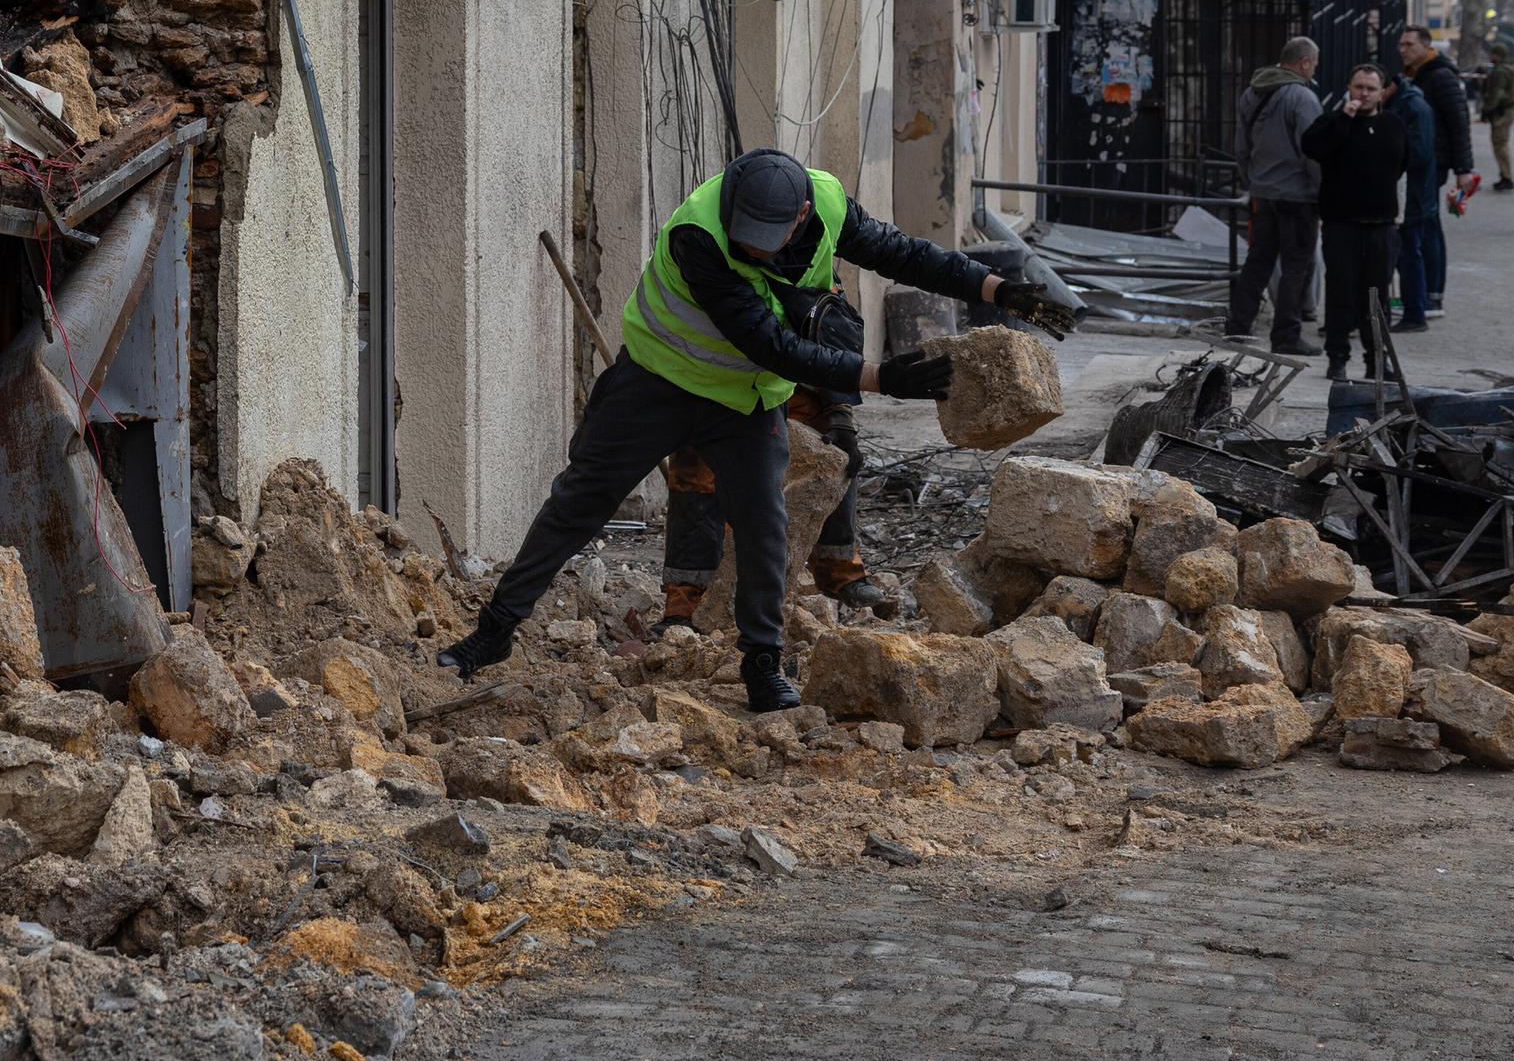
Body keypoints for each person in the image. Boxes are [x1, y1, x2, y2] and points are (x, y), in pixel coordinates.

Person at [436, 148, 1076, 709]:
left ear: (800, 215)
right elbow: (773, 346)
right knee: (579, 502)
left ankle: (762, 666)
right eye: (744, 230)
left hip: (741, 401)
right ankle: (492, 632)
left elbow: (901, 254)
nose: (749, 244)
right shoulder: (699, 234)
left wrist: (997, 290)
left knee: (766, 525)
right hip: (656, 382)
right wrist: (884, 378)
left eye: (764, 235)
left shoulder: (825, 201)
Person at [659, 283, 889, 625]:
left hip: (785, 373)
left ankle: (841, 571)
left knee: (833, 450)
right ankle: (688, 600)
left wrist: (840, 412)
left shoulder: (808, 256)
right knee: (696, 473)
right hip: (714, 377)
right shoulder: (702, 258)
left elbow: (834, 330)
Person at [1302, 65, 1408, 381]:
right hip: (1341, 224)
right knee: (1340, 293)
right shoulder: (1334, 122)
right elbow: (1313, 148)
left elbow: (1402, 164)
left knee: (1376, 298)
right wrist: (1344, 120)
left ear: (1381, 92)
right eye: (1358, 87)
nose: (1363, 94)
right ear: (1349, 88)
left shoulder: (1393, 125)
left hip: (1381, 224)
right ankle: (1337, 358)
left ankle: (1377, 359)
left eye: (1370, 89)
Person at [1224, 35, 1322, 352]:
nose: (1314, 69)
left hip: (1262, 193)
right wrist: (1322, 192)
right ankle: (1286, 335)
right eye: (1314, 64)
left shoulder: (1253, 92)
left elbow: (1241, 148)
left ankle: (1238, 326)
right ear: (1305, 62)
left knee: (1258, 262)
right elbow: (1314, 151)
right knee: (1295, 267)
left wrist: (1252, 181)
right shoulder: (1302, 98)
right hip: (1297, 195)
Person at [1395, 26, 1474, 317]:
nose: (1403, 49)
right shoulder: (1416, 73)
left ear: (1426, 46)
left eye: (1409, 44)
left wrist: (1464, 168)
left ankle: (1432, 294)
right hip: (1425, 159)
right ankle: (1428, 292)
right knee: (1427, 223)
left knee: (1427, 224)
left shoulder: (1439, 75)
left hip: (1435, 161)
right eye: (1401, 44)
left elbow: (1458, 120)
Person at [1383, 74, 1438, 334]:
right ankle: (1413, 310)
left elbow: (1419, 153)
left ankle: (1415, 312)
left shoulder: (1413, 107)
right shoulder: (1403, 104)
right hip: (1409, 194)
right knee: (1405, 254)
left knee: (1408, 255)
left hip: (1412, 196)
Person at [1480, 42, 1514, 191]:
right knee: (1501, 144)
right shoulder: (1510, 68)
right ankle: (1505, 175)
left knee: (1500, 145)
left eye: (1492, 54)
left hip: (1501, 112)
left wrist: (1487, 109)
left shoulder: (1501, 71)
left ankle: (1506, 176)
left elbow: (1497, 93)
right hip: (1506, 110)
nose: (1490, 57)